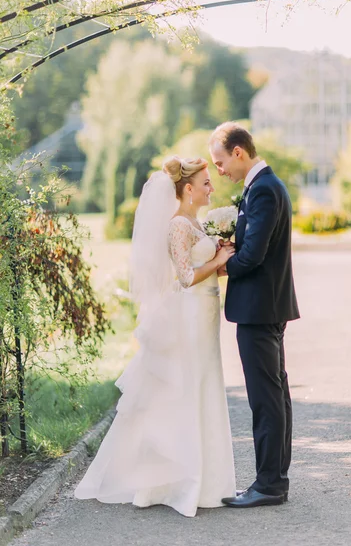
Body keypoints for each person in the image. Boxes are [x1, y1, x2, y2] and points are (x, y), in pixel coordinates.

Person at [74, 156, 236, 517]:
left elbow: (205, 271)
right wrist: (219, 257)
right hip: (190, 315)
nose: (211, 187)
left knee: (206, 388)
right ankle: (178, 481)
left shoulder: (195, 222)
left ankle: (211, 482)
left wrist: (224, 261)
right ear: (188, 189)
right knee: (188, 388)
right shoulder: (178, 225)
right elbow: (184, 276)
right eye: (206, 182)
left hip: (207, 312)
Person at [209, 122, 300, 508]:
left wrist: (220, 264)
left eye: (220, 161)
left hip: (259, 309)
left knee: (265, 399)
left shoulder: (263, 190)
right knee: (275, 394)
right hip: (267, 306)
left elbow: (254, 255)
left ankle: (268, 485)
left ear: (239, 153)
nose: (219, 170)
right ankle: (275, 479)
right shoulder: (264, 187)